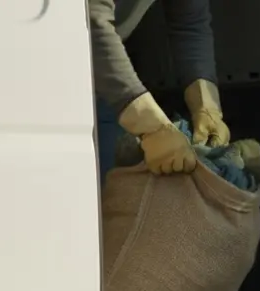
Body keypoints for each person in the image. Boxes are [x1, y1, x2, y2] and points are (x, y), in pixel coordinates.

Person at [88, 0, 230, 181]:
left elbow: (189, 24)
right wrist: (150, 126)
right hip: (53, 77)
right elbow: (87, 21)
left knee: (108, 189)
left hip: (102, 85)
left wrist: (207, 107)